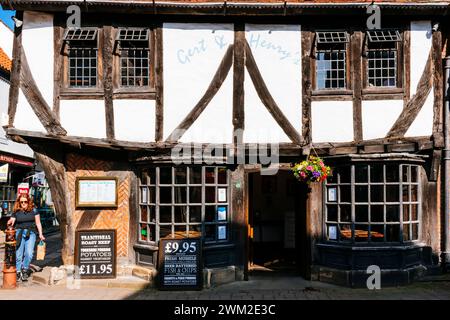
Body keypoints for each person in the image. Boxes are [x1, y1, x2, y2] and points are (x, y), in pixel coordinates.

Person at [7, 194, 45, 282]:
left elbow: (38, 223)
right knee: (19, 254)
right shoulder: (16, 211)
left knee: (29, 253)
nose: (23, 203)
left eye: (25, 201)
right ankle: (18, 271)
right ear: (19, 202)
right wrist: (10, 221)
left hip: (30, 233)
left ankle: (24, 269)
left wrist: (40, 234)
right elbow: (12, 219)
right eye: (21, 202)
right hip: (19, 233)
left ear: (28, 201)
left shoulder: (34, 210)